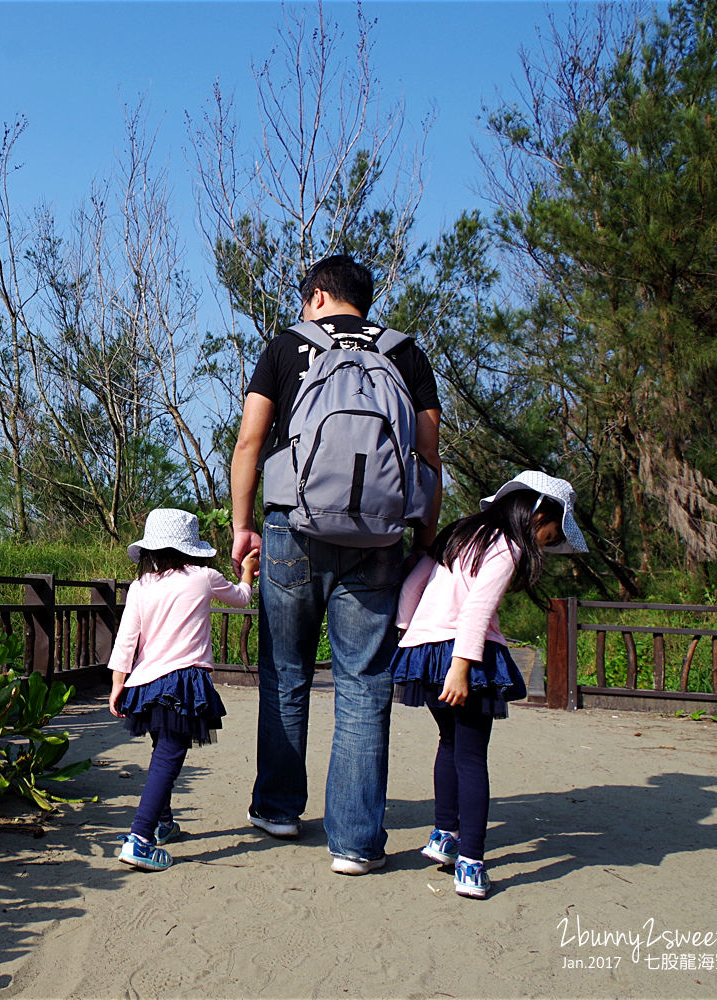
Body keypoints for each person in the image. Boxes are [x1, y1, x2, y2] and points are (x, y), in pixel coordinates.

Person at [230, 254, 443, 875]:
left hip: (291, 525)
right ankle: (354, 842)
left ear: (319, 295)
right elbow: (428, 458)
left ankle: (277, 807)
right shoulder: (405, 352)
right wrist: (423, 541)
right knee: (363, 683)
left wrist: (244, 527)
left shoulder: (288, 346)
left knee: (286, 670)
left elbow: (249, 442)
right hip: (378, 540)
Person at [392, 470, 588, 898]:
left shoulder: (460, 533)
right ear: (540, 514)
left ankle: (443, 836)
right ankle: (472, 861)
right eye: (552, 536)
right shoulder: (509, 546)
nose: (549, 544)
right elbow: (478, 608)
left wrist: (411, 633)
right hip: (467, 657)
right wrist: (461, 666)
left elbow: (412, 586)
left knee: (449, 744)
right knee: (472, 758)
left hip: (425, 652)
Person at [109, 507, 259, 872]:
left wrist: (117, 683)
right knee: (169, 757)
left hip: (145, 682)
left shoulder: (141, 586)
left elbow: (128, 637)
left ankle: (162, 825)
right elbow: (241, 598)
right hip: (183, 680)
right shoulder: (203, 577)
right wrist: (248, 574)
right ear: (191, 547)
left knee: (162, 750)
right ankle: (140, 838)